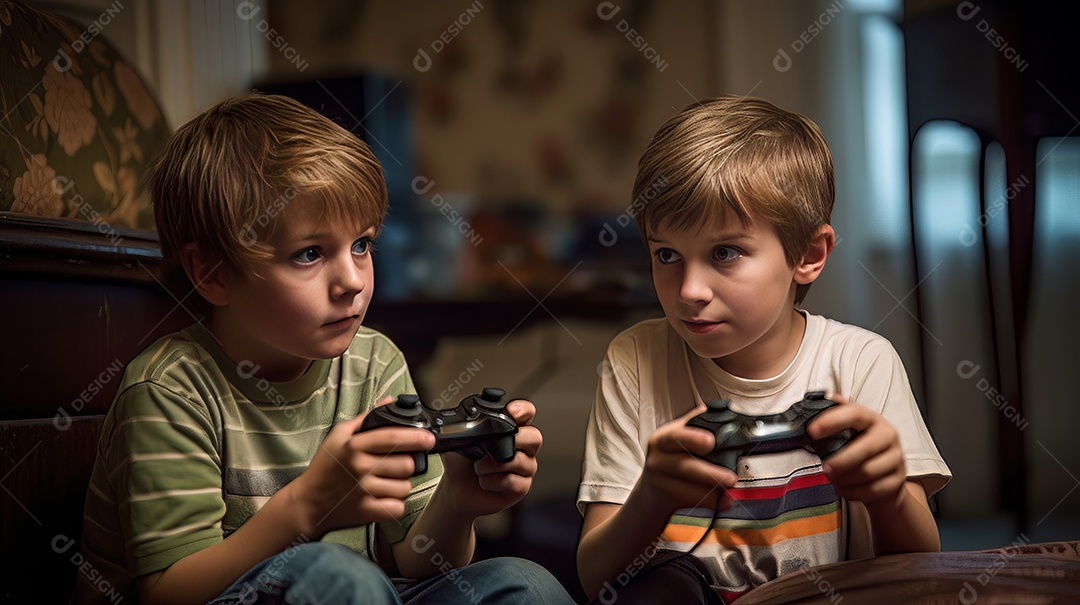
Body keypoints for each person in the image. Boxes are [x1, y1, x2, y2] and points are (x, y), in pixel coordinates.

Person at [75, 93, 575, 605]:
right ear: (212, 273)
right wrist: (308, 507)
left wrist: (459, 503)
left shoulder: (375, 361)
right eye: (310, 253)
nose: (352, 281)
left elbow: (415, 560)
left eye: (361, 244)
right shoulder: (169, 391)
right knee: (336, 576)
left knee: (525, 584)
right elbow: (168, 594)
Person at [576, 96, 951, 604]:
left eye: (724, 253)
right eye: (666, 254)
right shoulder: (635, 361)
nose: (689, 290)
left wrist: (887, 495)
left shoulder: (861, 361)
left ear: (808, 255)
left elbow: (921, 573)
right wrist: (652, 496)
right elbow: (597, 579)